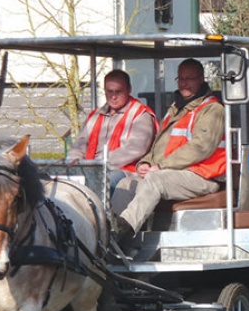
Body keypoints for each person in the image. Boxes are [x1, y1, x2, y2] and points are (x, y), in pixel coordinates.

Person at [110, 58, 226, 246]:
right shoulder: (176, 108)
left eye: (190, 78)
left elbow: (200, 147)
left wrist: (160, 167)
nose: (184, 83)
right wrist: (145, 163)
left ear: (201, 79)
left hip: (203, 176)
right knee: (125, 183)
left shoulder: (212, 109)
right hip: (173, 173)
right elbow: (158, 145)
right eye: (181, 78)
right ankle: (108, 232)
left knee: (156, 180)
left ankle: (124, 228)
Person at [66, 69, 157, 192]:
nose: (113, 97)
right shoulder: (95, 115)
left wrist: (97, 165)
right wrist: (73, 163)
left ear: (129, 90)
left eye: (118, 92)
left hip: (125, 172)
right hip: (93, 169)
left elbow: (134, 149)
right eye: (109, 92)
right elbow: (80, 144)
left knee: (107, 181)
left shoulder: (140, 115)